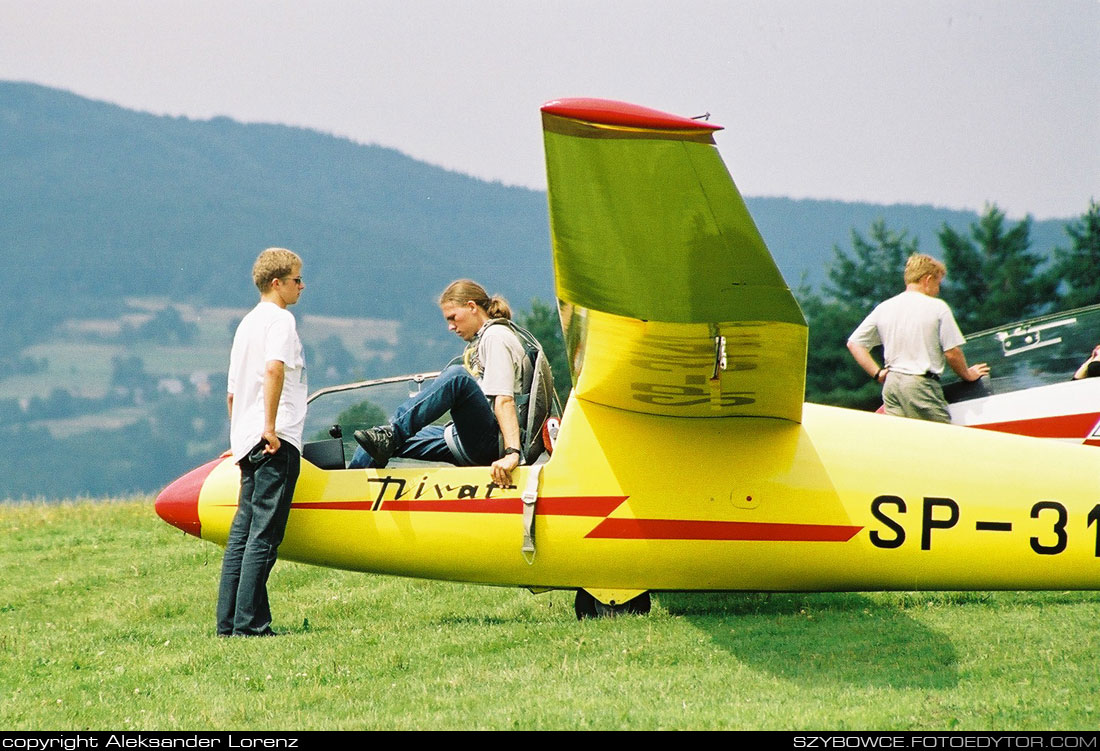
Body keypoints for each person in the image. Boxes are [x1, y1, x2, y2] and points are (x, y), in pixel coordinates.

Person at [351, 279, 525, 487]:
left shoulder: (496, 337)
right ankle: (353, 488)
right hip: (466, 436)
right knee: (372, 441)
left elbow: (505, 400)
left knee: (457, 378)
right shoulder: (487, 337)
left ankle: (392, 434)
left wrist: (512, 453)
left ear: (471, 307)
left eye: (453, 318)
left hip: (493, 443)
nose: (451, 327)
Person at [217, 248, 307, 637]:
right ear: (277, 283)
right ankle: (251, 625)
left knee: (242, 533)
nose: (302, 287)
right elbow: (274, 369)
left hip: (246, 438)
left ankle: (229, 622)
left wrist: (239, 436)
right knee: (265, 534)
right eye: (296, 280)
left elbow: (233, 393)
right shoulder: (281, 321)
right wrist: (270, 427)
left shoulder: (246, 324)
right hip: (275, 438)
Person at [847, 253, 989, 424]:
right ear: (928, 279)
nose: (938, 290)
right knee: (942, 439)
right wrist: (967, 374)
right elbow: (952, 352)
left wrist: (878, 374)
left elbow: (854, 344)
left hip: (891, 386)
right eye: (938, 284)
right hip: (920, 384)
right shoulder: (937, 307)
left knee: (903, 441)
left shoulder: (884, 307)